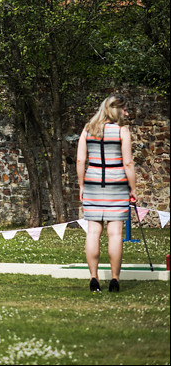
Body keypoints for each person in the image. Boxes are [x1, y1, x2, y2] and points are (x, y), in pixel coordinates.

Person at [76, 94, 137, 293]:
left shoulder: (88, 129)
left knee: (93, 232)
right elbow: (128, 163)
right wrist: (133, 189)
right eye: (124, 109)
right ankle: (115, 279)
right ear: (116, 110)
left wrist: (81, 186)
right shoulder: (122, 131)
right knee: (115, 234)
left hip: (93, 183)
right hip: (117, 184)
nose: (126, 113)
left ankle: (93, 278)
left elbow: (80, 161)